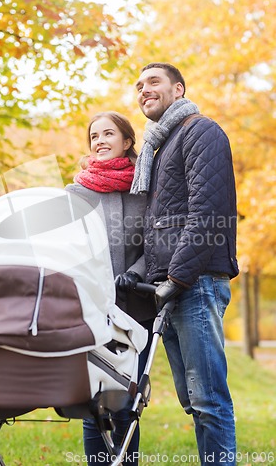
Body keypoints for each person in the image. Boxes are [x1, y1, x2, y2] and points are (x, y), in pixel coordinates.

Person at [130, 63, 239, 466]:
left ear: (178, 89)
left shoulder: (199, 131)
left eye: (153, 82)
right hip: (170, 286)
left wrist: (177, 277)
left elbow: (206, 211)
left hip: (195, 282)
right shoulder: (159, 148)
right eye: (139, 86)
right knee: (193, 400)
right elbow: (159, 227)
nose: (144, 90)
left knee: (209, 400)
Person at [66, 111, 157, 466]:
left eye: (109, 134)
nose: (100, 141)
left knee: (127, 404)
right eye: (94, 136)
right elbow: (66, 247)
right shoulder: (76, 192)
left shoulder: (145, 189)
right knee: (95, 401)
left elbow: (155, 244)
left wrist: (135, 272)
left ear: (127, 141)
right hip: (91, 308)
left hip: (136, 307)